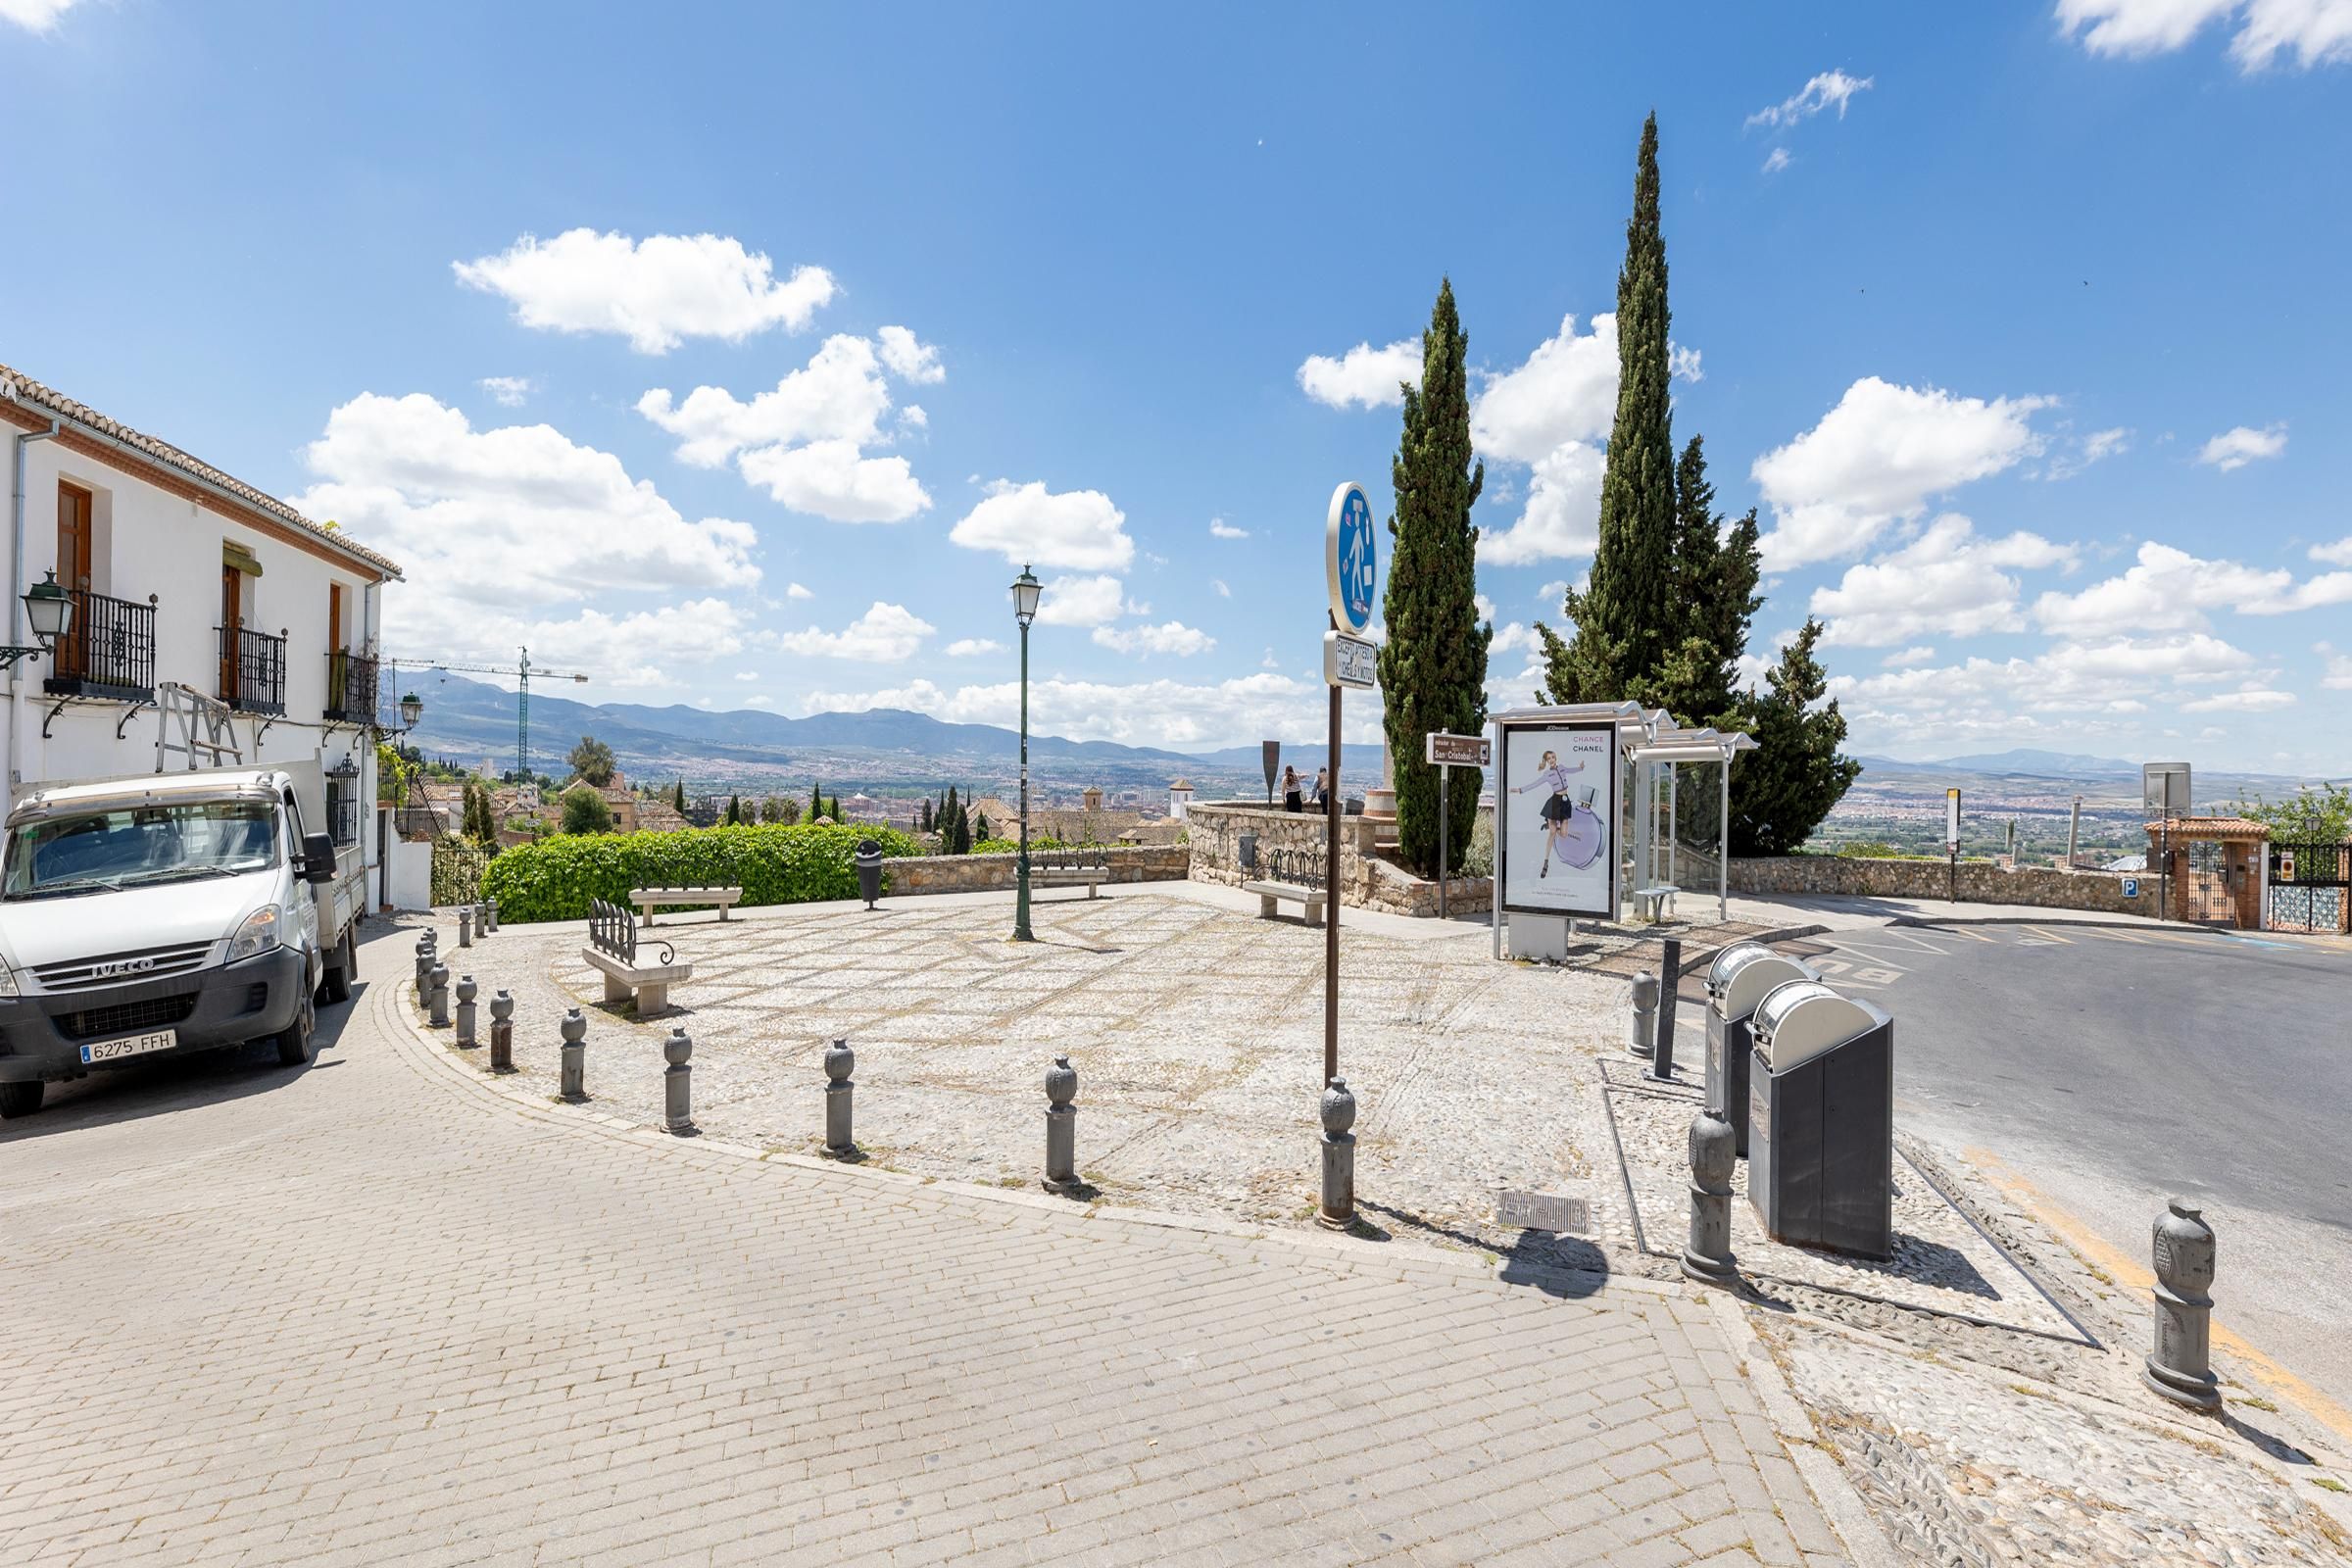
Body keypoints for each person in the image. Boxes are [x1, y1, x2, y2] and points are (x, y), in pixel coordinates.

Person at [1510, 749, 1586, 878]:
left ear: (1556, 758)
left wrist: (1580, 768)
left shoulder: (1562, 768)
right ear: (1546, 761)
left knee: (1563, 834)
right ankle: (1546, 862)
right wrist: (1520, 790)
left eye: (1553, 757)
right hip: (1555, 802)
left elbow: (1571, 770)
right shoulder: (1547, 774)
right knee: (1552, 833)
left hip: (1565, 801)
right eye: (1548, 758)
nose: (1551, 760)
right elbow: (1535, 784)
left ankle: (1549, 825)